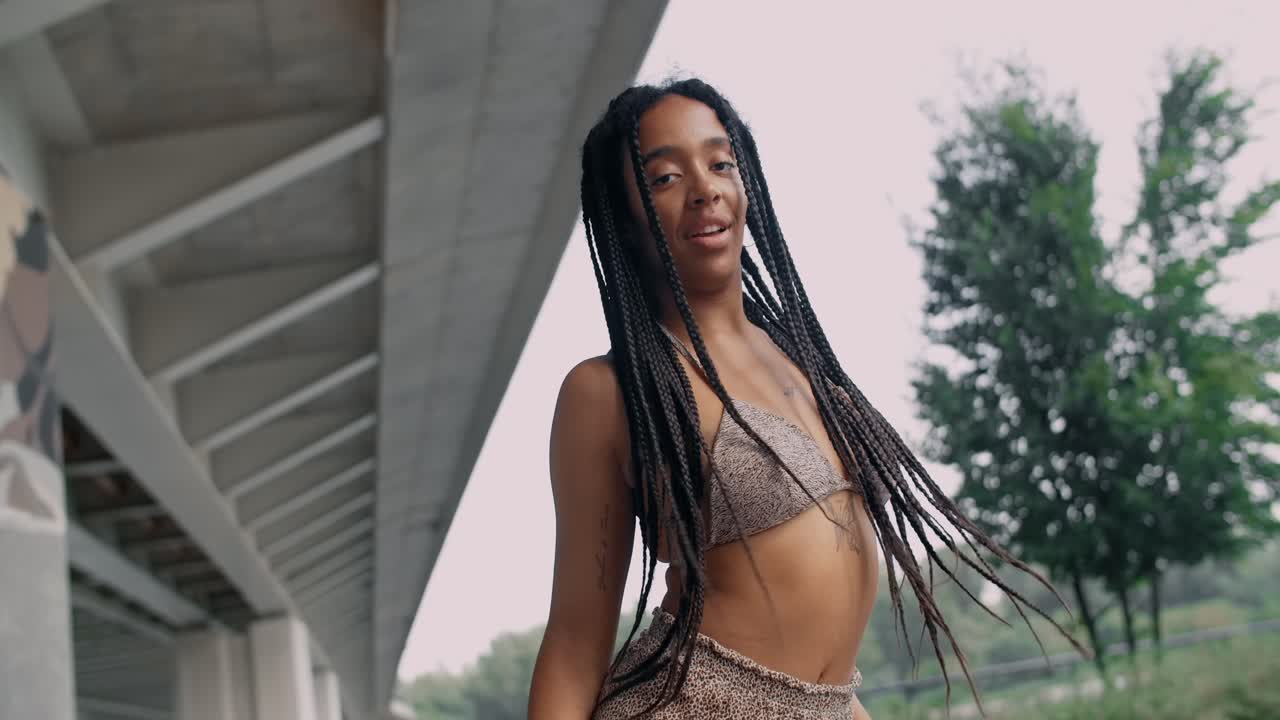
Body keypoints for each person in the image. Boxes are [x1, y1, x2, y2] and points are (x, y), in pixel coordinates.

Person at [527, 78, 1078, 719]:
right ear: (625, 218)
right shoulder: (610, 392)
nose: (705, 187)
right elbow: (573, 643)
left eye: (720, 162)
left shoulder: (803, 357)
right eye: (664, 178)